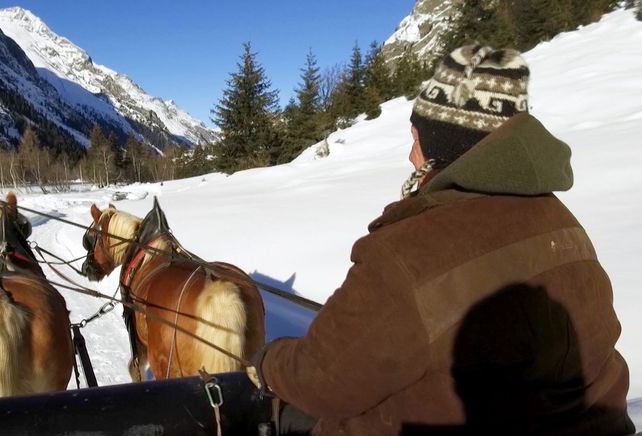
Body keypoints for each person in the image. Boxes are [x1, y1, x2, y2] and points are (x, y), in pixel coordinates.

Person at [249, 44, 635, 435]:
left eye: (416, 139)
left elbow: (322, 381)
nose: (411, 157)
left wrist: (268, 361)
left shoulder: (406, 250)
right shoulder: (563, 223)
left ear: (440, 146)